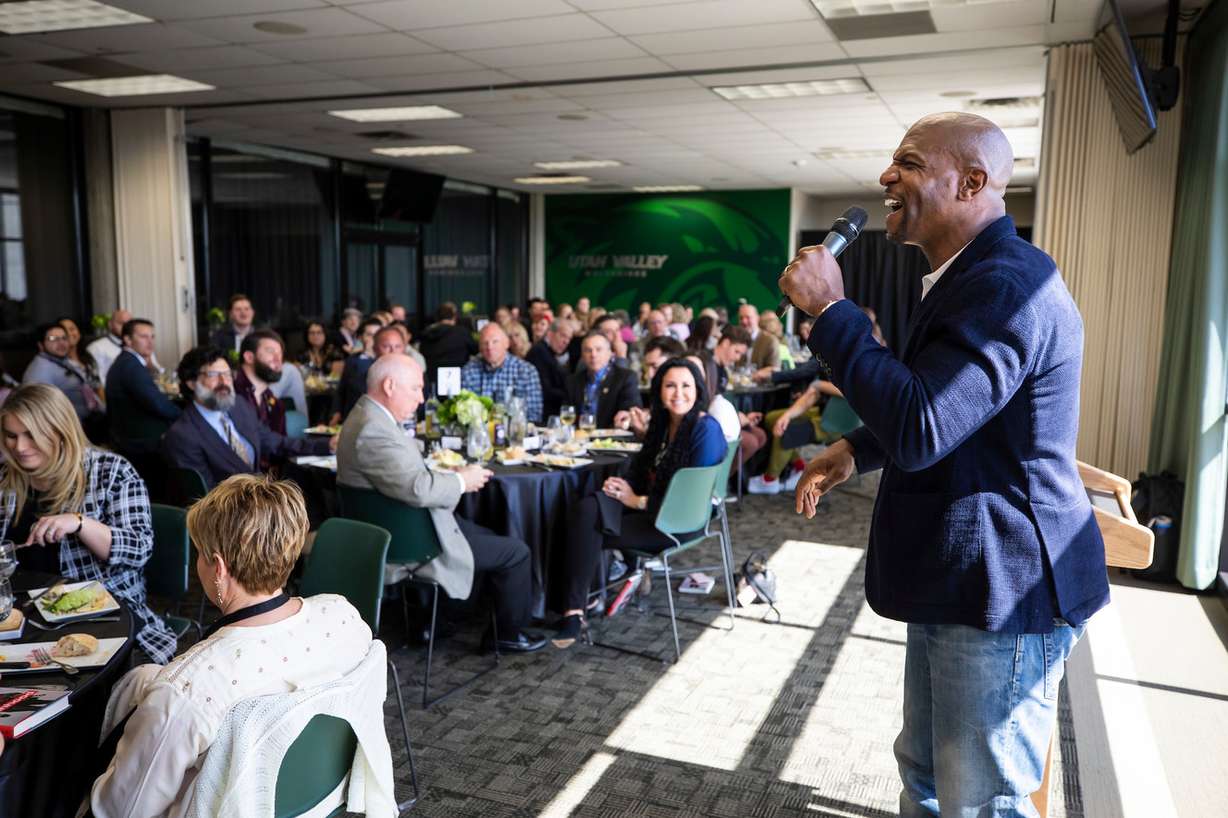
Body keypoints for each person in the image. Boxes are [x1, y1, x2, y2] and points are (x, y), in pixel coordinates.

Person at [778, 112, 1108, 816]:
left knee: (979, 800)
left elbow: (925, 425)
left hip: (1003, 587)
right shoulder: (968, 276)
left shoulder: (1007, 285)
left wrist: (832, 310)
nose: (886, 176)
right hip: (961, 578)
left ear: (971, 183)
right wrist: (858, 447)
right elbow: (951, 404)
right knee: (928, 777)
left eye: (909, 163)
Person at [89, 474, 381, 817]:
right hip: (322, 799)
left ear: (218, 569)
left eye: (199, 553)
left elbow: (121, 810)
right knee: (144, 679)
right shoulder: (343, 615)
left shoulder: (186, 691)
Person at [337, 355, 547, 653]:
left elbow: (406, 479)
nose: (421, 398)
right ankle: (506, 635)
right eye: (415, 388)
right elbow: (418, 489)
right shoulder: (373, 429)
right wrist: (462, 481)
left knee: (486, 534)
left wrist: (452, 476)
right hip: (410, 543)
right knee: (516, 552)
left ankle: (439, 620)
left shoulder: (366, 416)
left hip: (400, 525)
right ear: (389, 386)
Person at [554, 359, 727, 647]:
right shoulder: (663, 424)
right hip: (651, 508)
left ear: (698, 390)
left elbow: (689, 499)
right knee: (585, 509)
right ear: (659, 390)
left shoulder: (704, 429)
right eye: (670, 385)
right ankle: (580, 604)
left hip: (677, 522)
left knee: (587, 529)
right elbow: (641, 470)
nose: (678, 393)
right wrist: (623, 488)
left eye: (686, 386)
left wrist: (635, 500)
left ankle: (576, 609)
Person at [0, 383, 176, 663]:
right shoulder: (5, 480)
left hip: (105, 617)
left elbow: (139, 550)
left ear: (60, 430)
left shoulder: (111, 472)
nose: (20, 447)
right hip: (23, 620)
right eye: (11, 436)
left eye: (31, 435)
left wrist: (80, 523)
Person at [163, 346, 332, 489]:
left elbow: (274, 442)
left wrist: (326, 445)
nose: (224, 381)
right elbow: (206, 499)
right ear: (191, 383)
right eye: (213, 375)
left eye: (227, 374)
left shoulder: (239, 406)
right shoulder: (182, 435)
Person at [747, 377, 844, 495]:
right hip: (824, 410)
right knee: (772, 419)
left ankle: (770, 480)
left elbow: (851, 391)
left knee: (786, 432)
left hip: (840, 423)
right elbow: (814, 392)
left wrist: (818, 385)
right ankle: (799, 467)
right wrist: (787, 416)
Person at [105, 318, 181, 457]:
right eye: (144, 337)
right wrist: (185, 416)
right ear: (128, 339)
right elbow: (157, 404)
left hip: (128, 436)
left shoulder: (127, 360)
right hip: (140, 442)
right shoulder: (131, 366)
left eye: (152, 337)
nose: (150, 342)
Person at [22, 321, 106, 440]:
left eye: (64, 338)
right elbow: (41, 412)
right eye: (53, 339)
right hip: (68, 434)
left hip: (87, 426)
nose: (61, 343)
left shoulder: (61, 360)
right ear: (41, 345)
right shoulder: (40, 371)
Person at [461, 323, 543, 423]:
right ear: (479, 347)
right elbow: (462, 410)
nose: (489, 347)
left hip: (514, 430)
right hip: (479, 430)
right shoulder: (469, 370)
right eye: (484, 343)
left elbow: (534, 415)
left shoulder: (526, 371)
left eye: (495, 342)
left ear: (506, 344)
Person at [564, 332, 641, 429]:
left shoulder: (625, 377)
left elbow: (631, 408)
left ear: (610, 354)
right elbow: (566, 413)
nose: (593, 355)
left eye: (599, 350)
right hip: (578, 435)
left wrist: (626, 416)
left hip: (611, 435)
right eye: (588, 350)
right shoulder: (572, 381)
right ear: (582, 356)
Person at [234, 329, 290, 437]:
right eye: (270, 351)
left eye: (280, 353)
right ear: (249, 357)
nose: (278, 359)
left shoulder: (276, 405)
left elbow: (280, 444)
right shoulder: (230, 395)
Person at [526, 318, 574, 420]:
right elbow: (544, 390)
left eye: (569, 338)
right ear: (550, 333)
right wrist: (571, 395)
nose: (566, 342)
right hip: (544, 417)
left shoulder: (548, 352)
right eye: (563, 336)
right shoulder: (539, 352)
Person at [418, 302, 478, 383]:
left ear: (437, 317)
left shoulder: (426, 335)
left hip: (432, 381)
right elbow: (476, 350)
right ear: (454, 317)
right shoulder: (462, 333)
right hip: (460, 381)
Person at [336, 318, 382, 420]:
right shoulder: (352, 360)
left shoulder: (387, 360)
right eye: (369, 335)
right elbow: (342, 389)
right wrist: (336, 412)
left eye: (378, 334)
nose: (374, 338)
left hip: (377, 415)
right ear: (360, 337)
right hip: (353, 414)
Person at [86, 308, 132, 383]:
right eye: (121, 323)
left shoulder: (138, 345)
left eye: (129, 324)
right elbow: (97, 381)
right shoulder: (96, 347)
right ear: (110, 324)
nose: (126, 327)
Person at [58, 317, 101, 390]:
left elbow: (98, 386)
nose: (69, 333)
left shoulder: (88, 356)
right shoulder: (58, 363)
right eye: (64, 330)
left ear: (79, 333)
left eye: (72, 329)